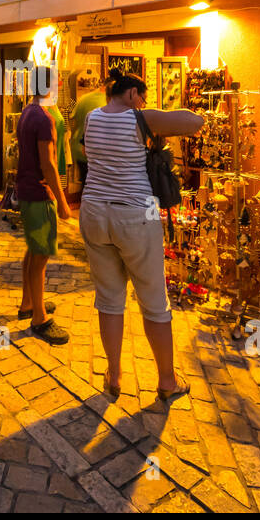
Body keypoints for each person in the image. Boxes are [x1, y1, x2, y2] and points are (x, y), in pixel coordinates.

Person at [80, 69, 203, 401]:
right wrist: (151, 117)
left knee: (108, 298)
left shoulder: (92, 117)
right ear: (133, 93)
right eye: (143, 96)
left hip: (93, 209)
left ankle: (114, 372)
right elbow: (194, 122)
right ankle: (166, 379)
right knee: (154, 299)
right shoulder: (138, 117)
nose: (145, 103)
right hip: (138, 211)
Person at [13, 65, 73, 344]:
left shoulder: (27, 112)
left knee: (33, 250)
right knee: (41, 257)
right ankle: (39, 318)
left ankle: (29, 303)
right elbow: (48, 163)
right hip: (39, 192)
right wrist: (62, 201)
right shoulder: (44, 118)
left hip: (26, 189)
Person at [68, 72, 110, 194]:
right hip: (95, 151)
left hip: (78, 148)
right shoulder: (107, 103)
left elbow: (75, 124)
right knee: (97, 189)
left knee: (86, 185)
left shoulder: (83, 98)